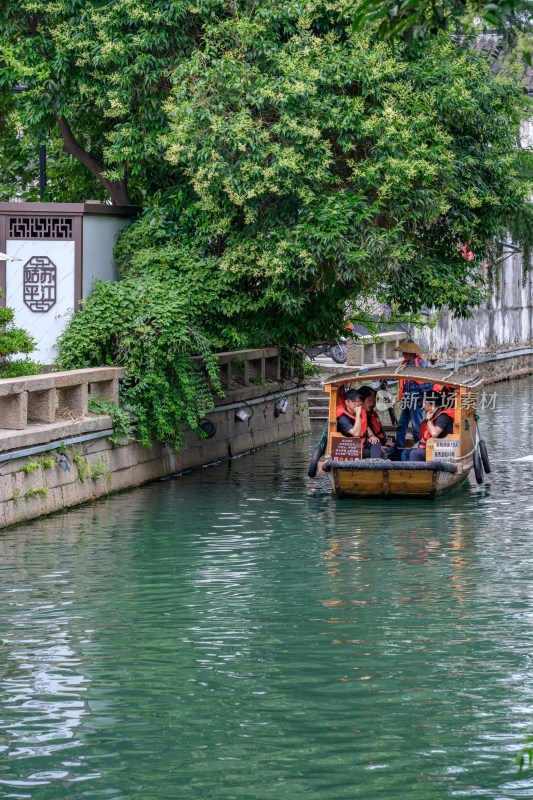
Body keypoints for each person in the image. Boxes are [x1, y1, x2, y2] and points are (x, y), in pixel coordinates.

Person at [393, 340, 439, 449]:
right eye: (403, 352)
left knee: (416, 425)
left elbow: (431, 379)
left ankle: (419, 446)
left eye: (406, 352)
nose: (404, 354)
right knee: (402, 423)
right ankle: (398, 445)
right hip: (407, 398)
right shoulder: (404, 364)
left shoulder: (421, 363)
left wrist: (420, 391)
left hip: (416, 398)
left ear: (412, 353)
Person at [405, 391, 455, 461]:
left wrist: (428, 419)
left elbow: (434, 433)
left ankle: (418, 472)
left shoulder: (442, 416)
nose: (423, 405)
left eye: (423, 403)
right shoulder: (435, 414)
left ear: (428, 404)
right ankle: (410, 472)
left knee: (415, 454)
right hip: (434, 446)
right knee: (408, 452)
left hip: (442, 449)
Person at [358, 385, 394, 460]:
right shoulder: (358, 415)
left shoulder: (370, 414)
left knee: (393, 449)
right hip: (363, 447)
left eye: (373, 401)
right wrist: (380, 446)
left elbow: (374, 434)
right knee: (386, 453)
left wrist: (385, 442)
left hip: (374, 444)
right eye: (369, 401)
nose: (372, 404)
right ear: (361, 402)